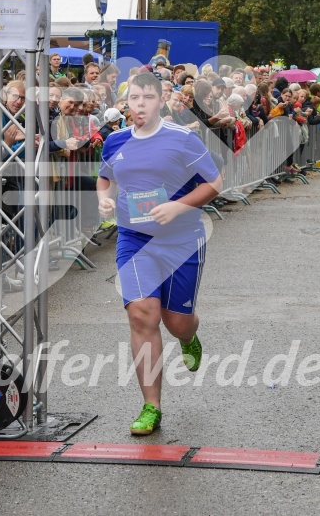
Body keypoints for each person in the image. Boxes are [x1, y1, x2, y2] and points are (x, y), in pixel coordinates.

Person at [97, 73, 222, 435]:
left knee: (175, 321)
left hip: (181, 240)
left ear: (160, 100)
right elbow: (105, 178)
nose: (139, 104)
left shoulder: (183, 139)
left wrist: (177, 207)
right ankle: (151, 406)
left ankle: (188, 337)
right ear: (127, 102)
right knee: (141, 316)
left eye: (147, 98)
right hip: (134, 239)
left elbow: (215, 184)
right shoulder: (114, 141)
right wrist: (104, 199)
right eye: (133, 98)